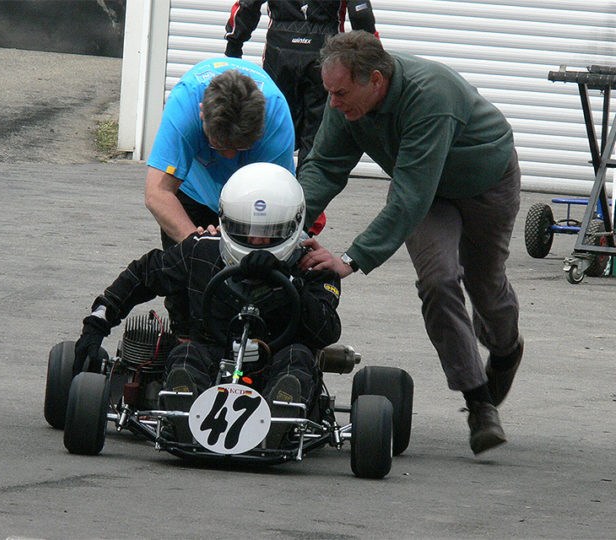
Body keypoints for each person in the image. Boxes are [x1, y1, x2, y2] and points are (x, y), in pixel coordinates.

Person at [296, 31, 524, 455]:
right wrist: (286, 223)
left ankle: (507, 350)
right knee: (438, 281)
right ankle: (479, 404)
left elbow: (409, 197)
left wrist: (351, 258)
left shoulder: (429, 96)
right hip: (429, 195)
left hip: (484, 183)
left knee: (485, 284)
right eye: (329, 92)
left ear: (376, 81)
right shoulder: (347, 102)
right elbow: (324, 167)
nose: (333, 103)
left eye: (341, 92)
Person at [75, 163, 342, 446]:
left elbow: (326, 331)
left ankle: (281, 416)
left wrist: (292, 283)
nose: (256, 241)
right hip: (210, 354)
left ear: (293, 226)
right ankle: (183, 410)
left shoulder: (315, 267)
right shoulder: (203, 251)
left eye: (271, 232)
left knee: (298, 357)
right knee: (186, 353)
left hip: (277, 359)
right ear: (226, 222)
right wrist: (97, 323)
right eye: (244, 230)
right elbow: (142, 276)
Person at [145, 57, 295, 337]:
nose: (229, 157)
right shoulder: (185, 103)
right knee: (186, 290)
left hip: (254, 198)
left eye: (241, 147)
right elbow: (157, 192)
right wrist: (197, 245)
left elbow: (278, 202)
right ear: (202, 112)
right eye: (219, 145)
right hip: (193, 194)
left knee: (255, 289)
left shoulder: (275, 114)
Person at [224, 0, 377, 174]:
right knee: (315, 138)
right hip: (323, 50)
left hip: (280, 51)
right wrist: (369, 54)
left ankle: (267, 189)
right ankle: (306, 194)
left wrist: (234, 46)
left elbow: (247, 4)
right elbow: (360, 13)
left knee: (274, 127)